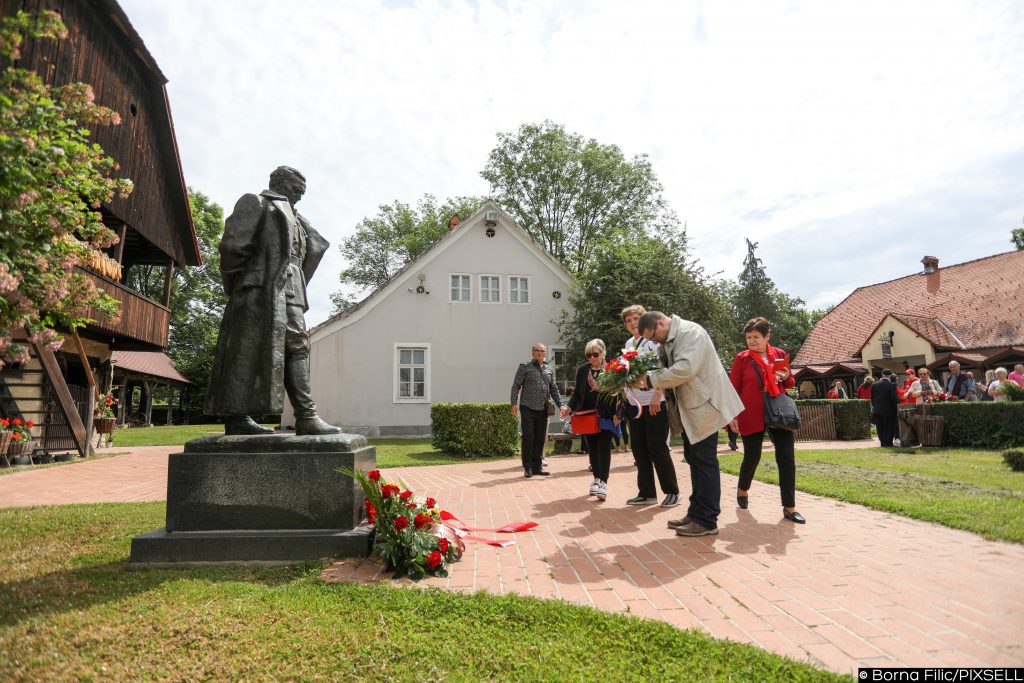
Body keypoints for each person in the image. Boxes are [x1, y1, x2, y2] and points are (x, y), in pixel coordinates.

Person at [205, 166, 341, 436]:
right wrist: (245, 283)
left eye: (302, 192)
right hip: (259, 287)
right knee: (246, 350)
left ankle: (306, 415)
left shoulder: (299, 219)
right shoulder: (256, 203)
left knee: (297, 347)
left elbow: (307, 254)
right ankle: (238, 417)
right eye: (295, 190)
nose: (299, 196)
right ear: (279, 183)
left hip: (292, 289)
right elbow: (233, 247)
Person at [637, 311, 744, 537]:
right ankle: (696, 513)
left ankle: (707, 520)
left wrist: (650, 379)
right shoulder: (671, 339)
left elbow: (685, 369)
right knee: (695, 459)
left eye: (654, 337)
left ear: (660, 323)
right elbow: (663, 369)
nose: (655, 342)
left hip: (706, 406)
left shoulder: (690, 332)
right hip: (692, 409)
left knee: (704, 461)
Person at [727, 317, 804, 524]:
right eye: (748, 337)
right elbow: (733, 389)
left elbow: (789, 383)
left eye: (756, 337)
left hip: (778, 412)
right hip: (751, 414)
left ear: (767, 336)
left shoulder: (778, 354)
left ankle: (790, 507)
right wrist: (731, 416)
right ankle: (743, 489)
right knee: (753, 456)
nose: (752, 341)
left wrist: (787, 375)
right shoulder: (742, 358)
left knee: (786, 459)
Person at [619, 305, 680, 508]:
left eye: (636, 318)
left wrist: (657, 394)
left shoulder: (653, 341)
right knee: (639, 449)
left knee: (658, 447)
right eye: (628, 321)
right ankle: (647, 493)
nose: (632, 323)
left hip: (654, 402)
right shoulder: (629, 344)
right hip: (635, 404)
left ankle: (672, 492)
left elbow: (664, 368)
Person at [567, 340, 618, 500]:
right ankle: (596, 479)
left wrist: (619, 412)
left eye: (595, 354)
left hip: (606, 414)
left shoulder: (613, 369)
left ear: (603, 353)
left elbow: (620, 393)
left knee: (604, 446)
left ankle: (604, 482)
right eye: (589, 355)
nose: (592, 358)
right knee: (593, 448)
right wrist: (568, 408)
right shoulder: (583, 370)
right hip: (587, 415)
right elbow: (576, 394)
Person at [510, 343, 565, 478]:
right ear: (532, 352)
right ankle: (527, 467)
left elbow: (554, 389)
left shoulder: (549, 369)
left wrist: (561, 405)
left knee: (540, 439)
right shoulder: (524, 367)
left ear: (545, 353)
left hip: (542, 409)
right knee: (529, 437)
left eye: (542, 351)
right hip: (527, 407)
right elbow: (516, 385)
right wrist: (513, 403)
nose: (539, 353)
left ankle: (537, 467)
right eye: (537, 351)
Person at [871, 369, 900, 447]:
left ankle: (882, 442)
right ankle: (888, 442)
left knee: (880, 427)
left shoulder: (874, 385)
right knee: (889, 427)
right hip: (889, 410)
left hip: (877, 409)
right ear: (890, 375)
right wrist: (897, 408)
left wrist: (875, 407)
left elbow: (872, 399)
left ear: (882, 374)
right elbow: (895, 399)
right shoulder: (892, 385)